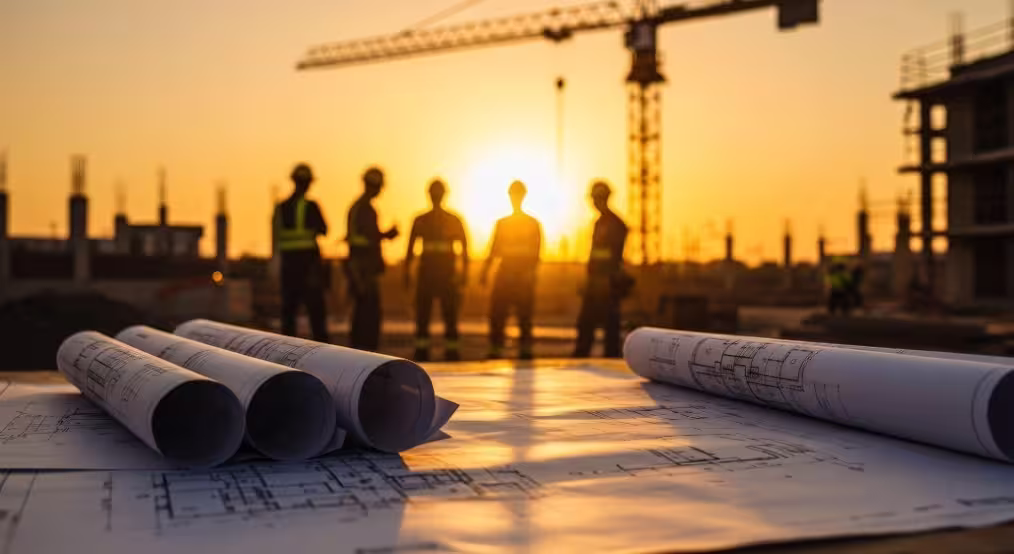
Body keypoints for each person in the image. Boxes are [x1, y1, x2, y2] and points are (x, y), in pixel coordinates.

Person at [404, 179, 468, 362]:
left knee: (445, 315)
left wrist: (407, 274)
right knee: (431, 315)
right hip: (438, 276)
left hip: (437, 276)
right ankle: (442, 352)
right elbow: (465, 251)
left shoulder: (424, 220)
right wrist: (464, 274)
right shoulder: (451, 220)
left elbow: (464, 249)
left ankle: (440, 351)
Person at [480, 180, 542, 360]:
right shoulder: (503, 223)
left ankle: (525, 350)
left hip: (522, 275)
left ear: (522, 196)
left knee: (524, 315)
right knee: (498, 313)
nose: (515, 198)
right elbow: (493, 249)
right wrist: (485, 271)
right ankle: (496, 349)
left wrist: (530, 273)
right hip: (505, 274)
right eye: (513, 195)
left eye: (517, 194)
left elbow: (537, 252)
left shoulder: (532, 224)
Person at [273, 163, 329, 342]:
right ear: (307, 184)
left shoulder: (281, 207)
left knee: (289, 311)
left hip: (288, 265)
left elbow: (276, 236)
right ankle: (324, 351)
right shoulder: (311, 206)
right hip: (308, 264)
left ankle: (286, 351)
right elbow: (324, 230)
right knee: (316, 312)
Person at [345, 167, 399, 351]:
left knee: (366, 312)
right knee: (367, 313)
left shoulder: (362, 207)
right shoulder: (364, 209)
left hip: (363, 268)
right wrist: (387, 235)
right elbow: (367, 238)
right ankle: (364, 350)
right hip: (363, 269)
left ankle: (363, 349)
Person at [573, 180, 629, 358]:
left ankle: (609, 359)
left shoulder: (615, 224)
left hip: (607, 281)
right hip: (595, 280)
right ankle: (582, 356)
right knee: (587, 323)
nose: (593, 202)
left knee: (608, 323)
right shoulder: (600, 222)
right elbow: (595, 254)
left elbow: (613, 255)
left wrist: (606, 276)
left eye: (595, 198)